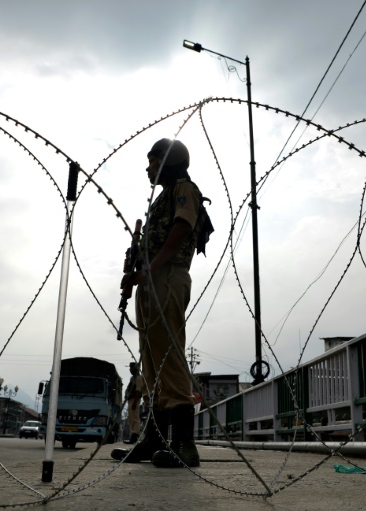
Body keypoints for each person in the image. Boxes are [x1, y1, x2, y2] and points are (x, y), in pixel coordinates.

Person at [111, 138, 208, 468]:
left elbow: (181, 227)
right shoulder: (161, 199)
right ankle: (152, 438)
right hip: (151, 283)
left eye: (152, 161)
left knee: (169, 359)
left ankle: (185, 445)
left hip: (167, 279)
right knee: (151, 365)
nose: (148, 167)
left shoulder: (184, 188)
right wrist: (138, 270)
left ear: (167, 162)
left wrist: (150, 268)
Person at [124, 362, 144, 443]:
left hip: (134, 400)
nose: (130, 370)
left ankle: (135, 435)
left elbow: (138, 391)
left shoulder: (139, 378)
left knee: (135, 418)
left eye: (131, 368)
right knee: (131, 418)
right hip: (130, 400)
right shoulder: (132, 378)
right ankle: (133, 434)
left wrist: (135, 402)